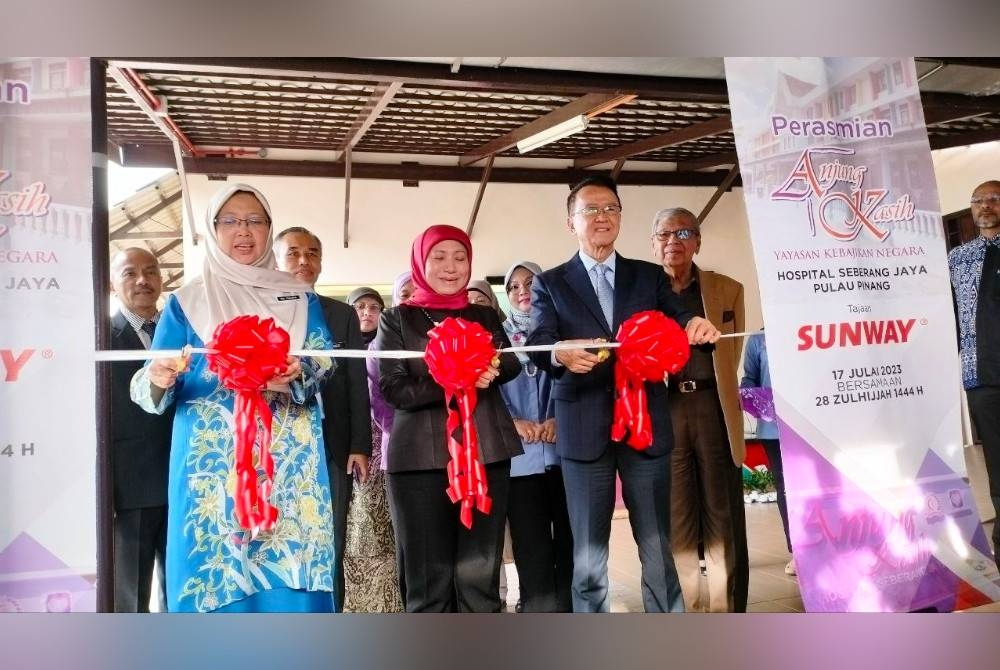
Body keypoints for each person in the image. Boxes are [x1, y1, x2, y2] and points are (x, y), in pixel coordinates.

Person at [131, 184, 337, 613]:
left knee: (289, 565)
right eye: (230, 221)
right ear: (212, 230)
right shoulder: (187, 301)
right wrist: (160, 376)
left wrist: (301, 369)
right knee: (217, 566)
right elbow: (148, 383)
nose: (243, 231)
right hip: (212, 465)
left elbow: (324, 361)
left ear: (269, 229)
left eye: (255, 221)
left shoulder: (300, 297)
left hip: (288, 459)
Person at [527, 175, 721, 613]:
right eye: (591, 210)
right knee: (588, 556)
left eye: (611, 208)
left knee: (657, 546)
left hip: (644, 428)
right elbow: (539, 342)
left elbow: (679, 317)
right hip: (584, 429)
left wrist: (694, 324)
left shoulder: (648, 276)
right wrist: (559, 352)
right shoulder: (550, 283)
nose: (603, 217)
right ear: (571, 222)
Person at [376, 224, 523, 612]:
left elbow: (510, 363)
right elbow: (394, 389)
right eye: (438, 257)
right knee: (429, 581)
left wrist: (490, 367)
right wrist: (456, 378)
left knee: (479, 578)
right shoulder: (396, 319)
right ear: (420, 263)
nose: (451, 267)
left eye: (460, 258)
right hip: (418, 462)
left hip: (486, 454)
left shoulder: (484, 315)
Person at [650, 206, 749, 613]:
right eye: (664, 234)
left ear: (698, 242)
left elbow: (732, 354)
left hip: (713, 407)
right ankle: (689, 610)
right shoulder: (644, 291)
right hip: (667, 407)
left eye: (684, 233)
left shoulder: (727, 289)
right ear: (653, 243)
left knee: (722, 515)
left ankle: (726, 612)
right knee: (678, 519)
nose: (673, 241)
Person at [273, 227, 373, 612]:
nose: (304, 261)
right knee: (281, 541)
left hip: (330, 446)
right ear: (275, 260)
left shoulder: (341, 314)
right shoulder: (262, 312)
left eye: (312, 253)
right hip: (278, 448)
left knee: (330, 540)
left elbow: (355, 383)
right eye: (293, 253)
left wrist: (359, 445)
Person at [499, 260, 573, 612]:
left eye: (530, 283)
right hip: (520, 458)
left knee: (570, 540)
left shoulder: (561, 328)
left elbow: (577, 377)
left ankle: (570, 613)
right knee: (531, 546)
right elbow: (487, 391)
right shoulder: (496, 338)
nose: (522, 291)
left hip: (563, 453)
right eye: (513, 287)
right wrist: (512, 421)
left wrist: (559, 416)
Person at [109, 247, 174, 613]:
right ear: (111, 284)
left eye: (150, 272)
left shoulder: (181, 330)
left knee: (181, 591)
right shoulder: (101, 337)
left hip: (184, 482)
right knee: (130, 597)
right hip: (131, 488)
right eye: (130, 273)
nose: (142, 280)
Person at [949, 179, 1000, 571]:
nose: (985, 206)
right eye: (978, 200)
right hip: (980, 376)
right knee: (997, 466)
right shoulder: (958, 258)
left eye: (994, 199)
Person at [342, 285, 403, 612]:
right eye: (359, 306)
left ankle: (393, 604)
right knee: (359, 528)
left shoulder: (390, 347)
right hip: (354, 450)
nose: (367, 312)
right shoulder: (339, 349)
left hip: (391, 446)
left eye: (374, 307)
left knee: (392, 528)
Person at [740, 330, 794, 576]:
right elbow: (749, 380)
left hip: (811, 428)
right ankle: (797, 551)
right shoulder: (758, 340)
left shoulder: (805, 329)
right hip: (773, 430)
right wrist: (752, 398)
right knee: (785, 489)